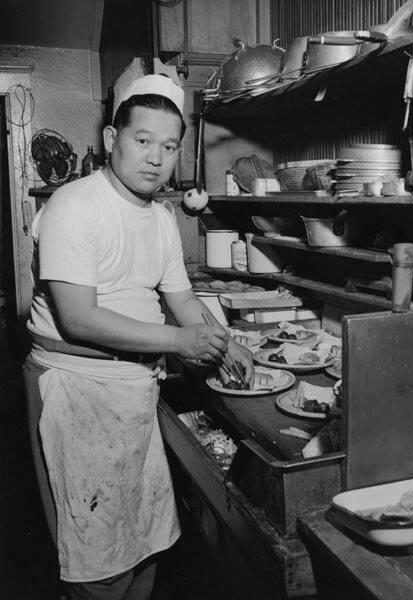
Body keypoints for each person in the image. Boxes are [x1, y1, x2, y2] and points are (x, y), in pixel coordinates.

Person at [23, 74, 253, 600]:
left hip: (134, 390)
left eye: (169, 146)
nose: (156, 158)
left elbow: (183, 301)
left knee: (144, 545)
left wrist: (227, 340)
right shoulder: (74, 207)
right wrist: (179, 342)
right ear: (111, 139)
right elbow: (79, 318)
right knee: (95, 565)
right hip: (75, 391)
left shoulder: (161, 219)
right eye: (142, 140)